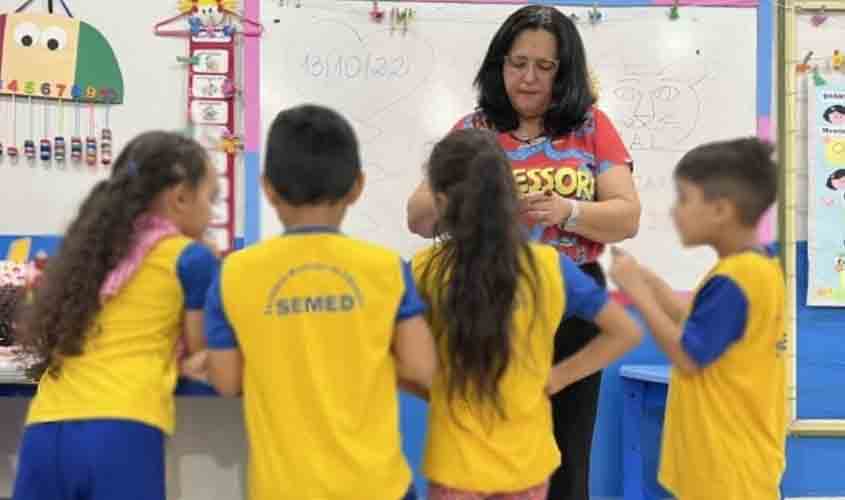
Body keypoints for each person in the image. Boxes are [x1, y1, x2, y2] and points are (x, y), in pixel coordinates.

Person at [406, 5, 640, 498]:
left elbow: (627, 217)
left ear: (565, 72)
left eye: (544, 66)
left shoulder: (591, 127)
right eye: (517, 63)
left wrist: (568, 211)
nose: (528, 78)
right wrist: (483, 199)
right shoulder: (473, 127)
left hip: (568, 296)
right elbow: (419, 216)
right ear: (500, 64)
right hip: (485, 293)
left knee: (568, 455)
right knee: (476, 436)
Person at [203, 104, 437, 500]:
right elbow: (422, 368)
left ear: (267, 188)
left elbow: (226, 382)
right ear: (357, 186)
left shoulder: (233, 274)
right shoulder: (386, 269)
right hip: (378, 488)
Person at [13, 131, 220, 500]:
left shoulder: (92, 254)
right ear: (180, 198)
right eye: (211, 197)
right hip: (122, 426)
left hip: (45, 425)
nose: (212, 212)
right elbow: (199, 353)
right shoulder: (191, 258)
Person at [609, 137, 786, 500]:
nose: (675, 212)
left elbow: (688, 356)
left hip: (723, 468)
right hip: (736, 462)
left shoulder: (734, 280)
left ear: (720, 210)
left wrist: (638, 294)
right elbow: (705, 328)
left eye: (684, 199)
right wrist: (655, 286)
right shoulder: (756, 269)